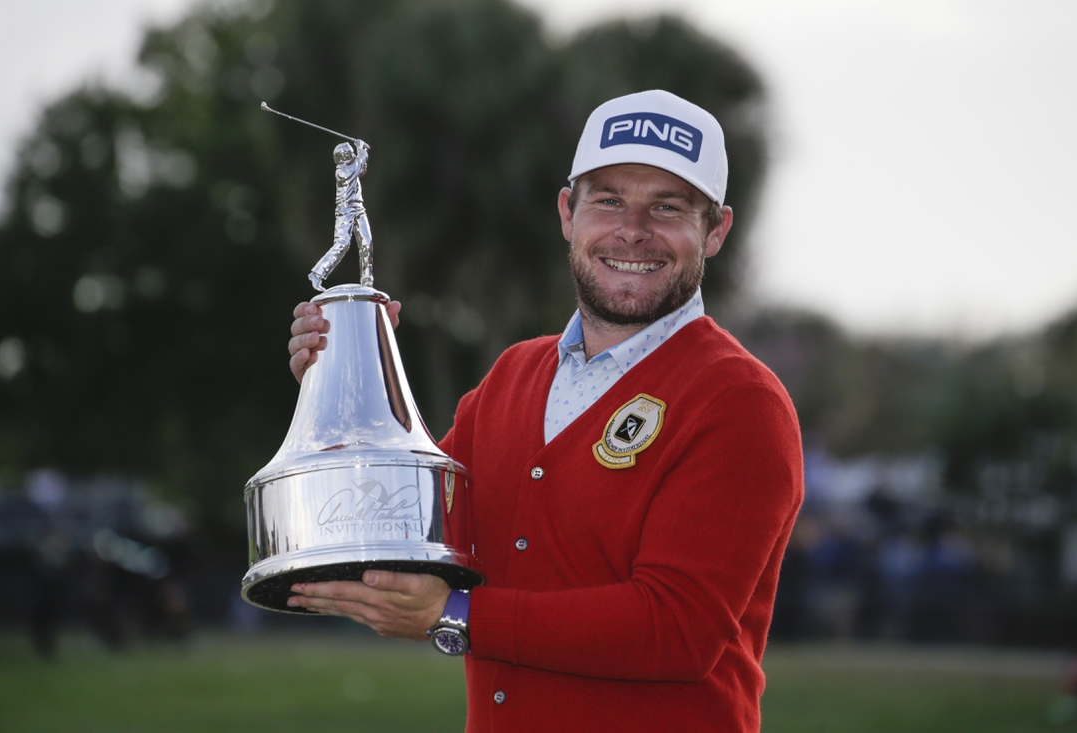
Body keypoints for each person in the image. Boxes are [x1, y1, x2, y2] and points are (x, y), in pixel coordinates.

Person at [285, 90, 803, 732]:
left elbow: (676, 629)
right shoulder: (512, 376)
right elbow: (409, 532)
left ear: (715, 230)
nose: (632, 229)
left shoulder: (740, 400)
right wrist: (346, 384)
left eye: (666, 207)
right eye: (608, 199)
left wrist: (456, 616)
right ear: (568, 212)